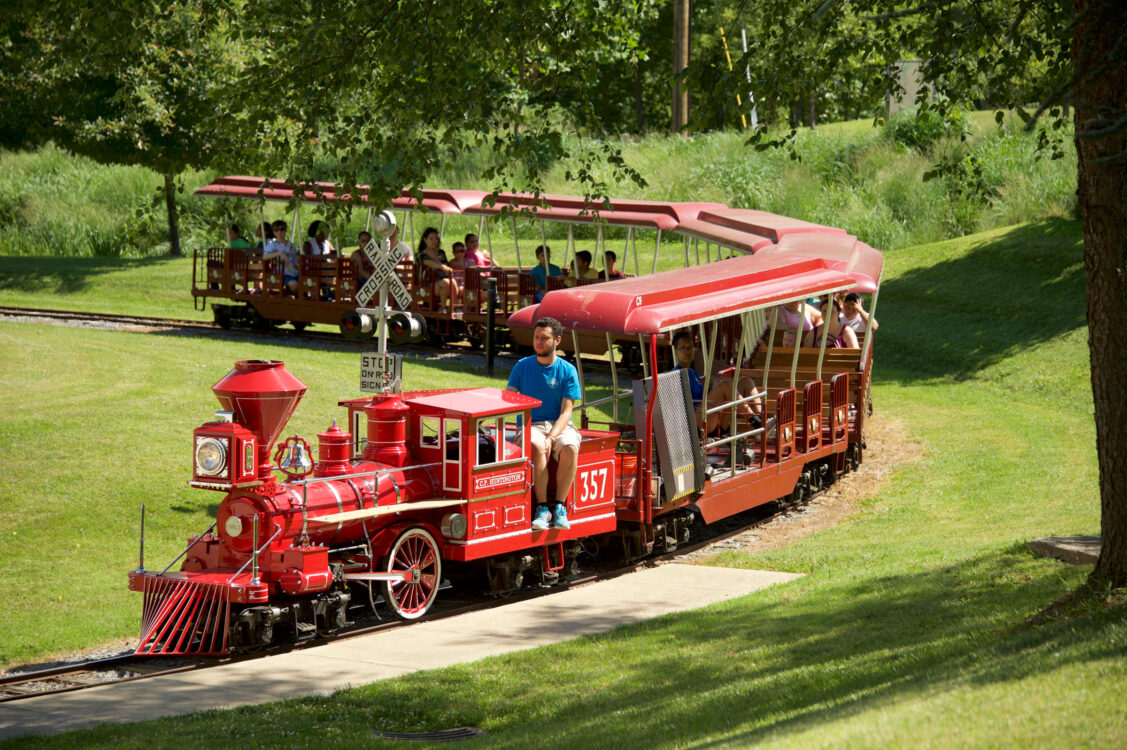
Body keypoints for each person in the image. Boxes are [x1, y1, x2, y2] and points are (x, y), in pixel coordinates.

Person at [506, 317, 582, 530]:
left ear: (557, 340)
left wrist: (552, 437)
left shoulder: (568, 370)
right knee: (538, 447)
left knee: (569, 447)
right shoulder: (522, 366)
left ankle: (559, 507)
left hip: (559, 424)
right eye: (536, 338)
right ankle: (541, 509)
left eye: (545, 338)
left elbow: (567, 412)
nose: (539, 342)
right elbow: (508, 398)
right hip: (531, 424)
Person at [671, 330, 762, 437]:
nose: (687, 351)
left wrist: (714, 384)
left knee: (746, 382)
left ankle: (761, 419)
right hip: (694, 421)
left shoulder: (693, 373)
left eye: (690, 348)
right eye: (683, 348)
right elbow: (674, 406)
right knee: (725, 386)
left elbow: (707, 383)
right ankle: (757, 423)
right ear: (676, 351)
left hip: (709, 414)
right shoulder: (675, 375)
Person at [417, 226, 457, 309]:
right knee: (446, 282)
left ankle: (454, 308)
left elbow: (446, 268)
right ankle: (443, 307)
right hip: (428, 284)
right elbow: (428, 263)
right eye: (431, 239)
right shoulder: (421, 254)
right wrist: (441, 266)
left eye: (436, 239)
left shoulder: (441, 253)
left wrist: (435, 258)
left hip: (443, 280)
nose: (434, 241)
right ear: (425, 239)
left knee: (452, 281)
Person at [263, 220, 298, 293]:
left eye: (282, 229)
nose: (279, 232)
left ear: (285, 231)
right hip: (281, 274)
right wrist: (279, 253)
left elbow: (296, 261)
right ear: (273, 232)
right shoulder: (272, 245)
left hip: (294, 272)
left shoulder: (291, 245)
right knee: (294, 285)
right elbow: (264, 257)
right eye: (276, 230)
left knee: (307, 283)